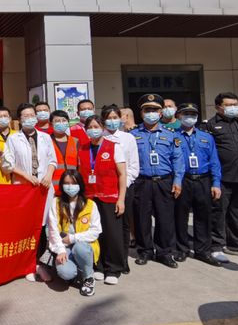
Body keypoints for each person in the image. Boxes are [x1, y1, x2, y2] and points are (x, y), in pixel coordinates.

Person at [201, 92, 238, 262]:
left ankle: (235, 245)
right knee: (218, 213)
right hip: (222, 177)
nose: (233, 107)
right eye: (228, 105)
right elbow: (206, 153)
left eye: (235, 104)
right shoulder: (210, 126)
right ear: (218, 107)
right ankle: (216, 247)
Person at [131, 94, 184, 269]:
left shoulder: (171, 135)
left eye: (154, 110)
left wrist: (178, 180)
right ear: (141, 113)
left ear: (161, 113)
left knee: (165, 218)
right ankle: (145, 251)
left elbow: (178, 159)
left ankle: (164, 252)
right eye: (147, 110)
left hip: (164, 181)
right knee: (142, 218)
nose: (151, 113)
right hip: (142, 182)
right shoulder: (133, 135)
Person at [6, 103, 57, 282]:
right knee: (26, 226)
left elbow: (52, 160)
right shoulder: (13, 138)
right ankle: (28, 265)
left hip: (43, 187)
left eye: (31, 115)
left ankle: (41, 264)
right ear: (19, 119)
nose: (29, 118)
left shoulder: (45, 137)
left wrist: (48, 175)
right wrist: (27, 176)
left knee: (42, 226)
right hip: (24, 188)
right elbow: (9, 164)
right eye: (25, 116)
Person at [78, 116, 127, 285]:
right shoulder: (82, 148)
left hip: (109, 196)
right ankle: (97, 265)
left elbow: (122, 174)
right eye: (90, 127)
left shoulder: (114, 147)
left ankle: (113, 268)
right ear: (85, 130)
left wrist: (121, 199)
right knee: (94, 233)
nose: (93, 129)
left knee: (112, 233)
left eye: (96, 126)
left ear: (103, 128)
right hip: (90, 198)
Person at [173, 104, 223, 267]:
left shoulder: (206, 137)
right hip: (183, 180)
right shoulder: (173, 136)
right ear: (179, 116)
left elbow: (214, 161)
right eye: (186, 114)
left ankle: (203, 250)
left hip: (203, 180)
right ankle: (182, 249)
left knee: (204, 216)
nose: (190, 117)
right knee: (180, 216)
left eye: (193, 114)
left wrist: (216, 183)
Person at [47, 170, 102, 297]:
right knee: (65, 273)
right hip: (64, 246)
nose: (70, 186)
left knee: (80, 247)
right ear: (62, 185)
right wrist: (60, 250)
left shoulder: (91, 205)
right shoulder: (56, 203)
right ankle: (77, 272)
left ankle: (88, 277)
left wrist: (73, 238)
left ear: (80, 185)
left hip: (84, 246)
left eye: (73, 183)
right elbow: (53, 229)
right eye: (66, 183)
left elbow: (96, 231)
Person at [101, 105, 139, 274]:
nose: (112, 121)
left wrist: (123, 185)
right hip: (103, 189)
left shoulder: (128, 138)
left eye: (115, 117)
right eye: (108, 118)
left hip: (124, 188)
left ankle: (122, 259)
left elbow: (133, 166)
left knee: (123, 225)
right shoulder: (99, 137)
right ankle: (105, 259)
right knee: (105, 225)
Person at [50, 110, 79, 195]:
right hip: (52, 188)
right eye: (57, 121)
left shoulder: (75, 141)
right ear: (51, 124)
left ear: (68, 123)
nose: (61, 123)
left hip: (72, 187)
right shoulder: (46, 141)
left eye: (64, 120)